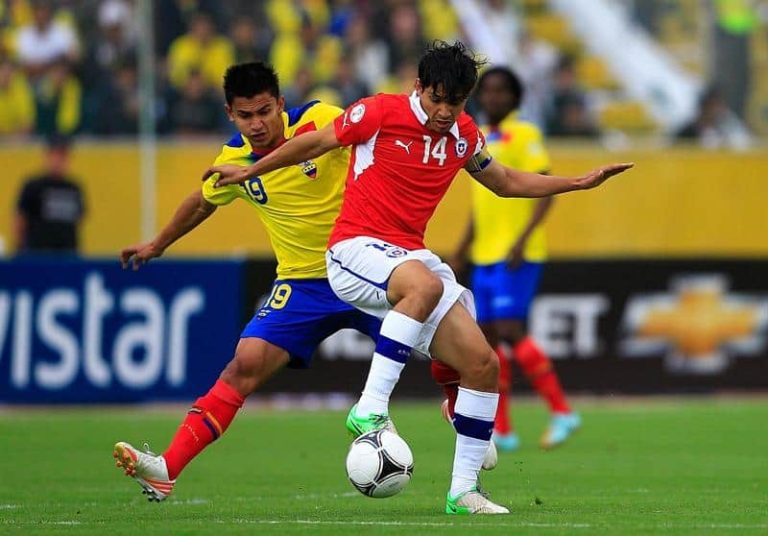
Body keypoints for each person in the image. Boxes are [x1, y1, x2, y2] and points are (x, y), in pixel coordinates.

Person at [206, 41, 633, 514]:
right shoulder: (378, 113)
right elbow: (311, 142)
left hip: (408, 256)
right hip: (354, 248)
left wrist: (577, 182)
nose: (444, 111)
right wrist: (250, 171)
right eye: (437, 99)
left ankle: (463, 492)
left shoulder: (464, 135)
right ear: (419, 88)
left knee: (483, 365)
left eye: (456, 102)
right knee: (424, 287)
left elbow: (508, 182)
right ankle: (369, 407)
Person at [112, 61, 383, 502]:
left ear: (280, 104)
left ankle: (472, 432)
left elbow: (375, 143)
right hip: (302, 284)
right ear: (230, 115)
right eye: (245, 116)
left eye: (263, 111)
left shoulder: (322, 120)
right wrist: (158, 244)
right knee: (244, 363)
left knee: (440, 340)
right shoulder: (233, 160)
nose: (256, 124)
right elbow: (202, 202)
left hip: (364, 266)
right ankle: (165, 470)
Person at [432, 66, 580, 453]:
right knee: (490, 342)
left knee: (512, 330)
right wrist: (463, 247)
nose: (493, 98)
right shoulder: (479, 137)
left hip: (517, 254)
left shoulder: (525, 134)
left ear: (514, 98)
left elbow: (545, 191)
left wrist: (522, 239)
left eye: (501, 92)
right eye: (488, 91)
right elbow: (482, 205)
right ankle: (503, 427)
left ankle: (562, 411)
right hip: (485, 255)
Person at [14, 135, 85, 255]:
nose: (58, 160)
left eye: (63, 156)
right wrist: (20, 250)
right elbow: (20, 219)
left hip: (67, 255)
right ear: (47, 156)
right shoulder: (33, 186)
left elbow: (78, 220)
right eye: (55, 155)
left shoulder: (74, 188)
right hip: (39, 255)